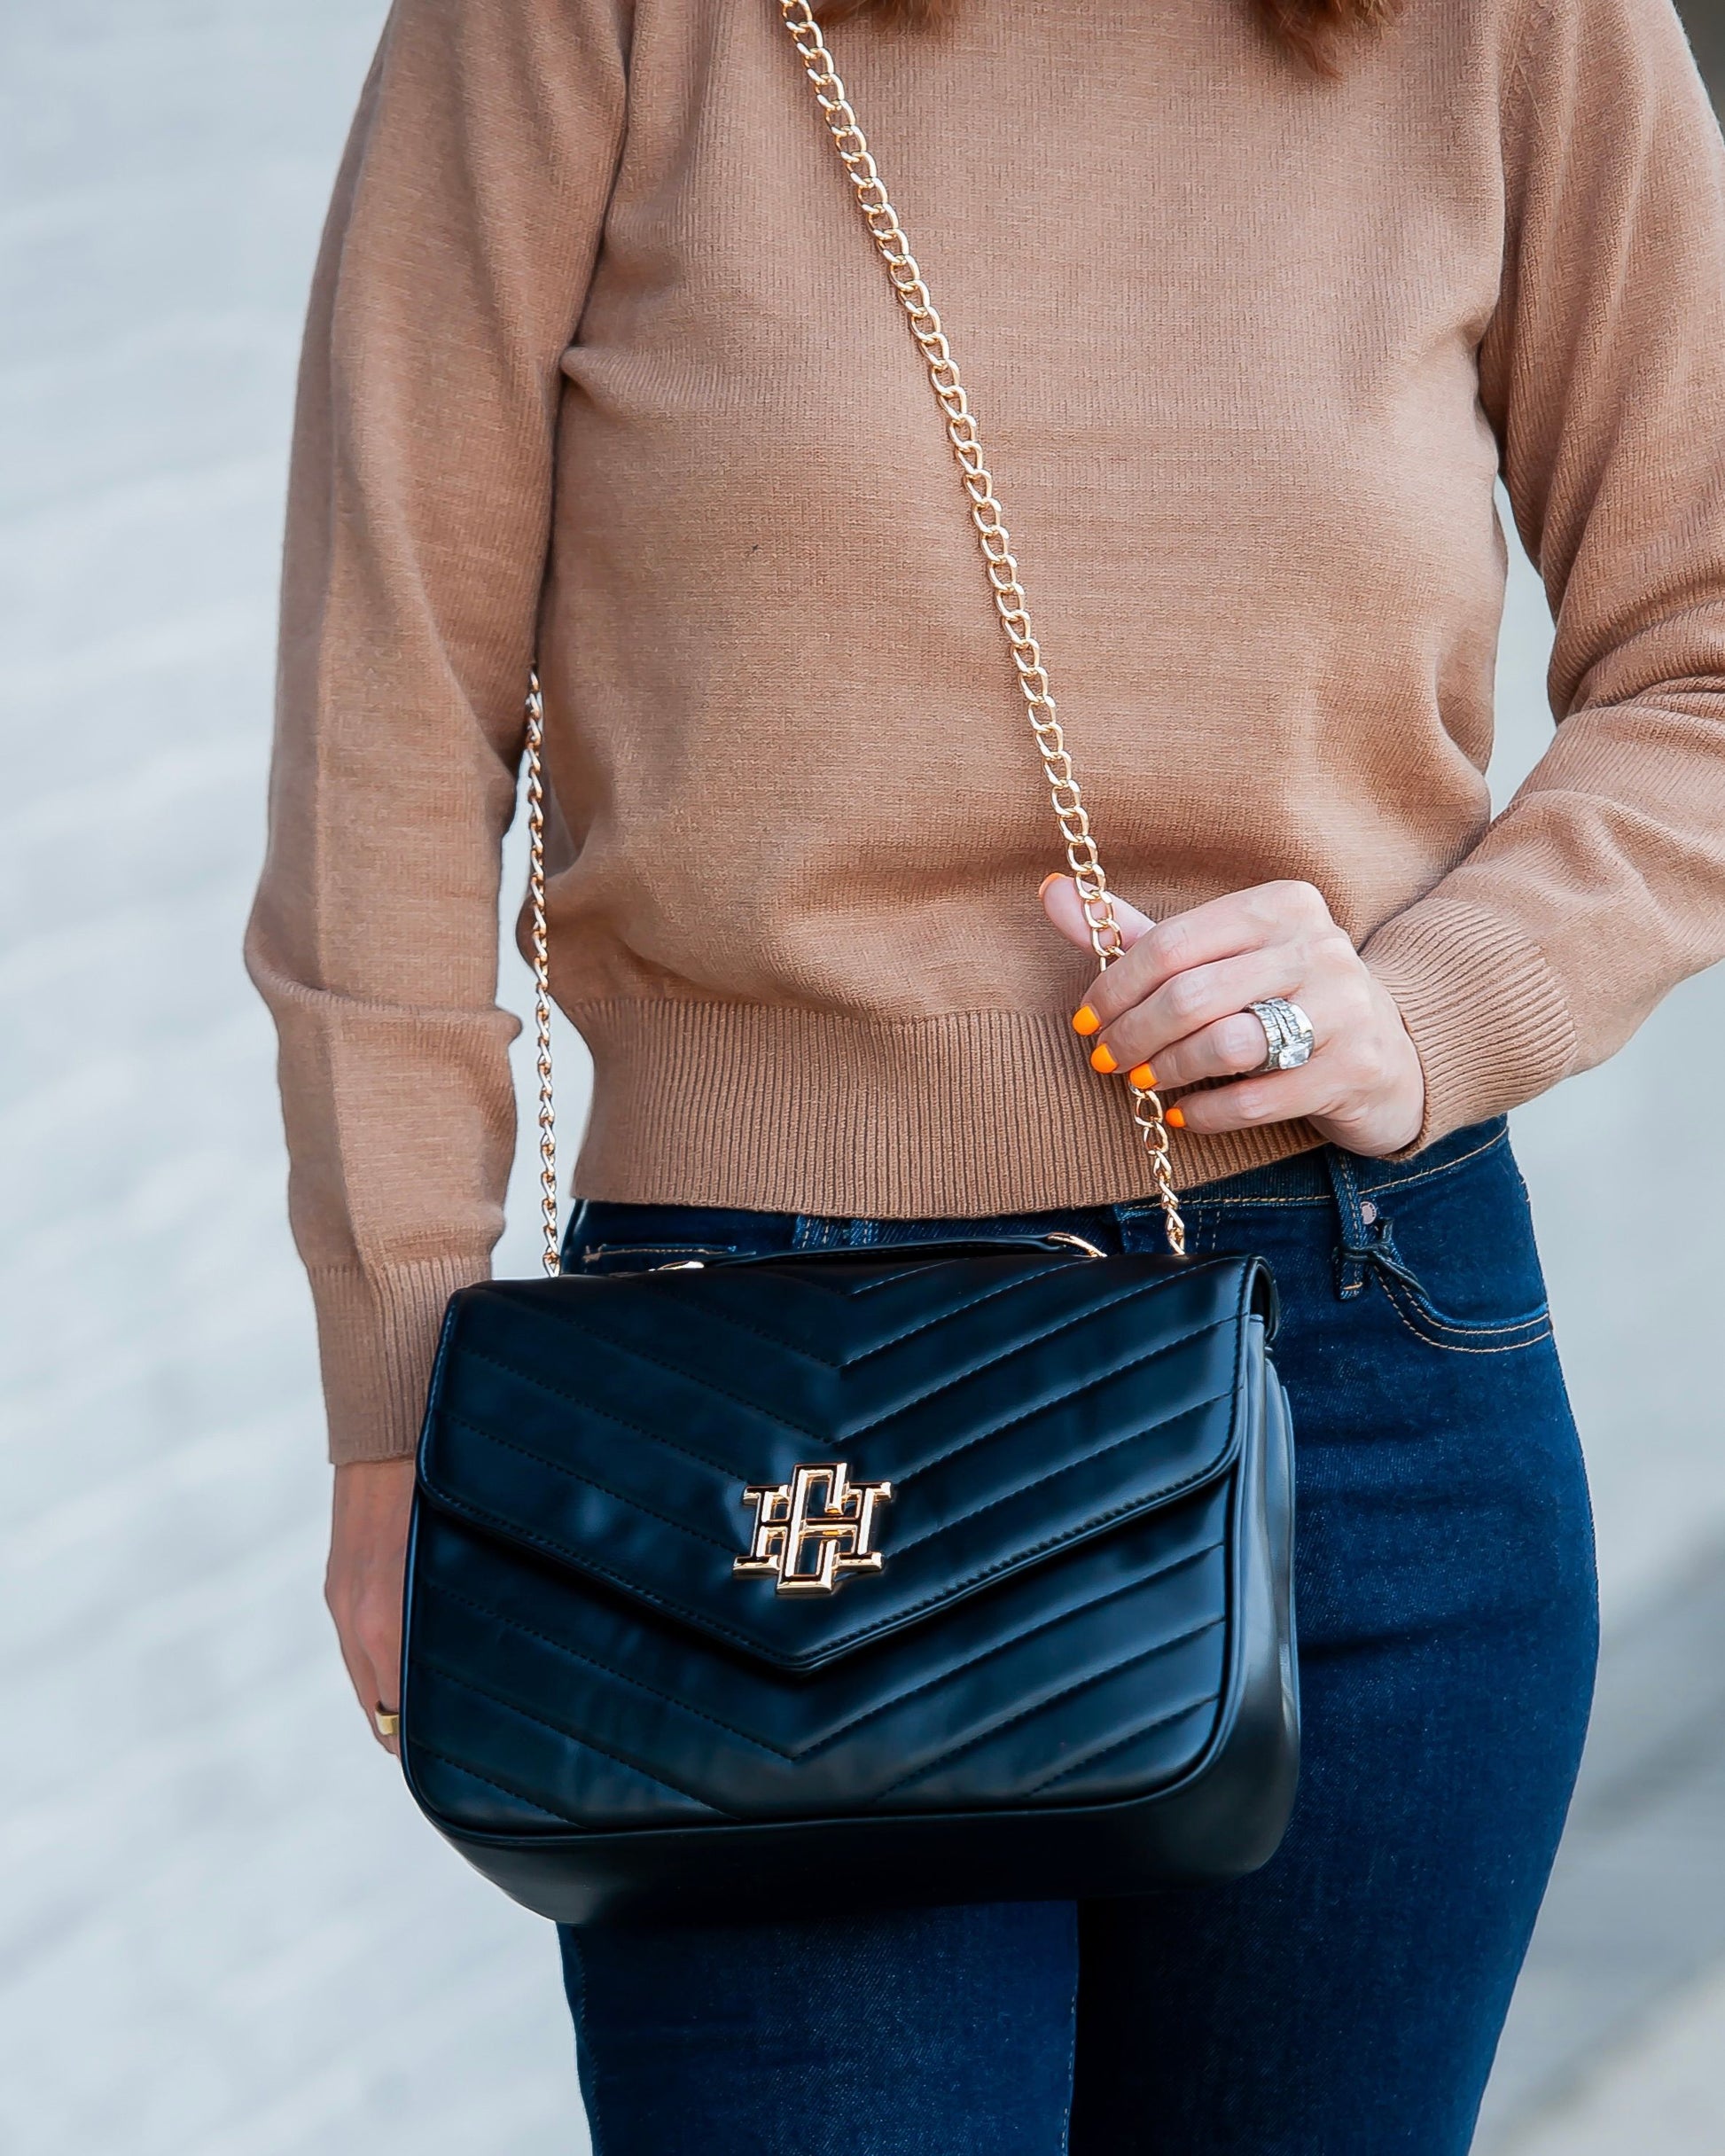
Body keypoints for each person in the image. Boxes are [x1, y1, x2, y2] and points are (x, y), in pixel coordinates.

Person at [246, 0, 1725, 2145]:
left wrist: (1433, 1005)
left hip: (1352, 1352)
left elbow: (1699, 654)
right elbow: (382, 711)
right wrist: (396, 1390)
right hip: (761, 1413)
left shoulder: (1511, 29)